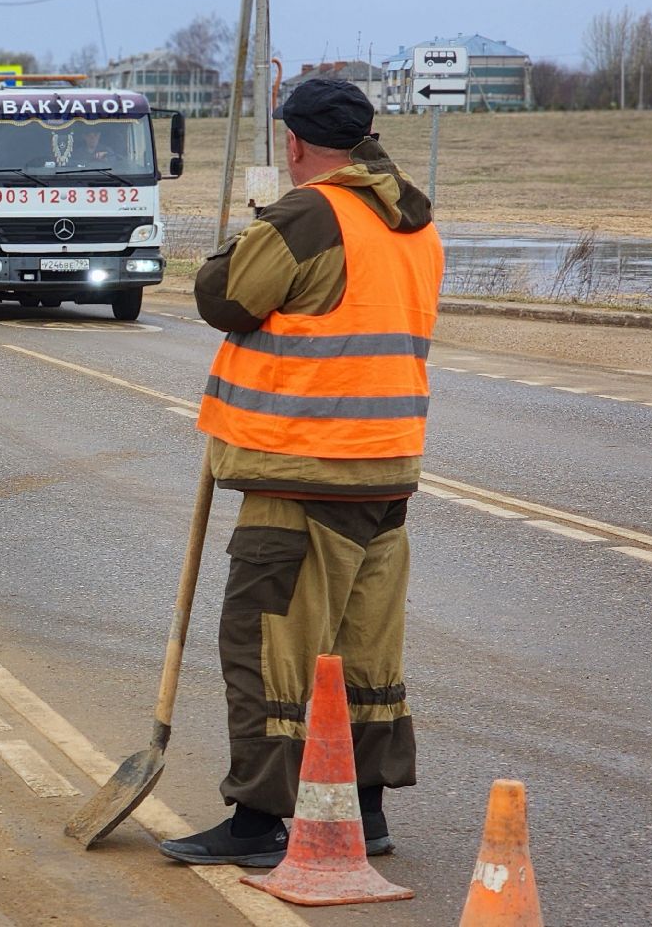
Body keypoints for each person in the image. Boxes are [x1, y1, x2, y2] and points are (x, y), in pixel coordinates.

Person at [162, 79, 443, 867]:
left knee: (266, 644)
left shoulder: (309, 214)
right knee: (364, 650)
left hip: (306, 470)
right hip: (386, 474)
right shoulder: (413, 221)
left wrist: (250, 234)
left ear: (293, 144)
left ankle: (256, 824)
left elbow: (224, 297)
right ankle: (364, 810)